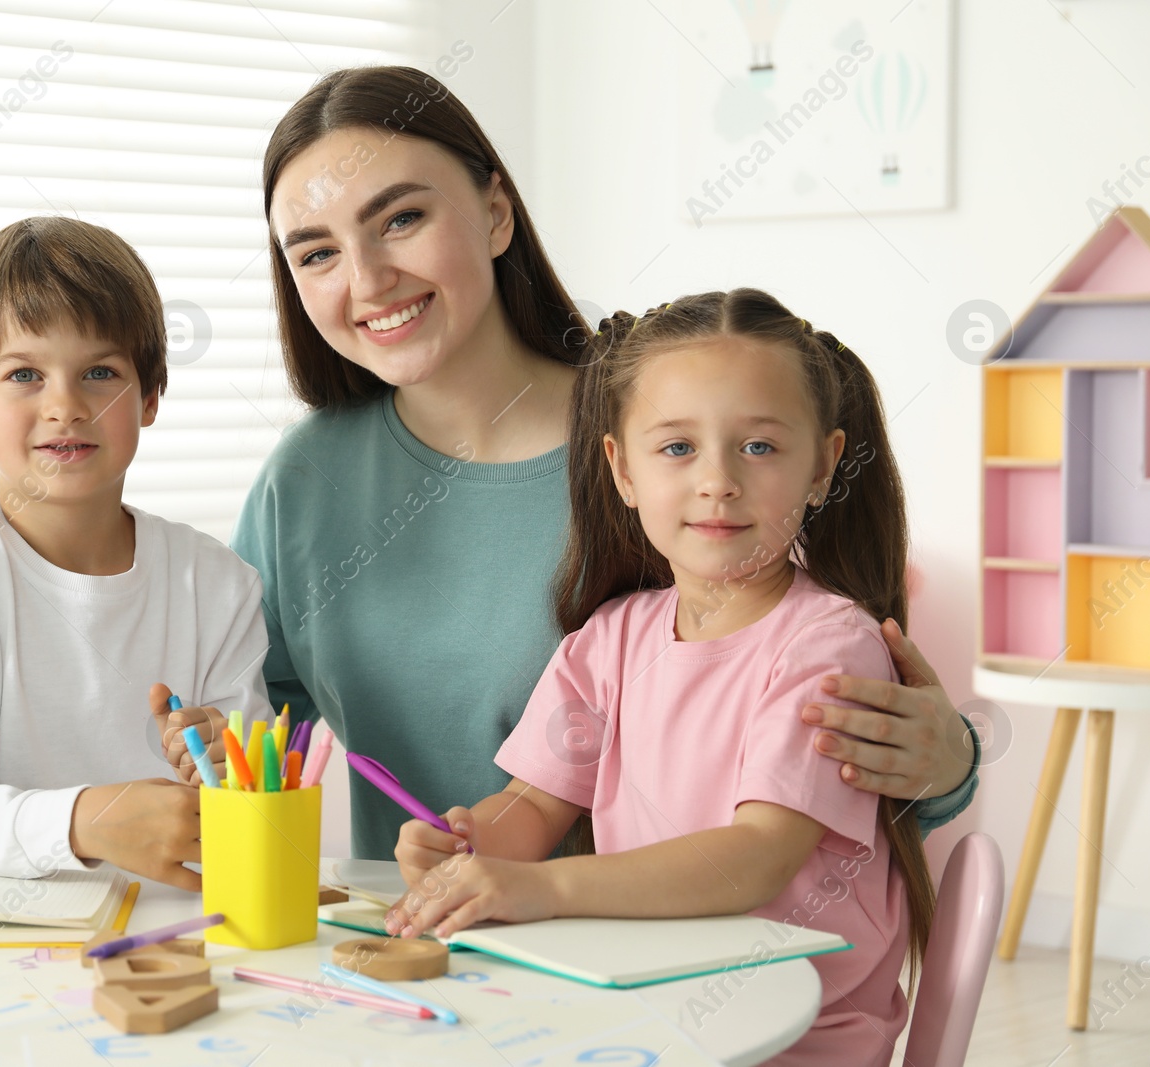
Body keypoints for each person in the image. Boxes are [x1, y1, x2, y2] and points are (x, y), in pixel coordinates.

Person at [231, 66, 978, 861]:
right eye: (316, 254)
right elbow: (260, 727)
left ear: (494, 213)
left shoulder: (668, 440)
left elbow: (818, 718)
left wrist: (946, 764)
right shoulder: (303, 481)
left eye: (403, 218)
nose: (368, 279)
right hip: (422, 943)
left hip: (650, 963)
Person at [387, 291, 930, 1066]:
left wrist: (543, 888)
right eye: (677, 448)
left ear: (824, 466)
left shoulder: (828, 646)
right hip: (646, 1003)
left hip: (797, 1030)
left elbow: (759, 853)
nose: (718, 481)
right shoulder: (608, 639)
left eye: (760, 448)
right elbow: (535, 801)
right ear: (623, 469)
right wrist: (472, 846)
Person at [0, 217, 265, 889]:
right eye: (24, 373)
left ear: (150, 398)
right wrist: (85, 819)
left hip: (173, 935)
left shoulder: (217, 584)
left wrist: (233, 770)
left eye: (100, 372)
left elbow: (252, 812)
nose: (65, 405)